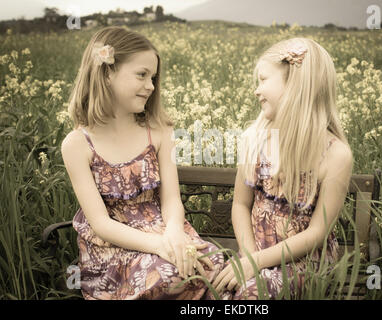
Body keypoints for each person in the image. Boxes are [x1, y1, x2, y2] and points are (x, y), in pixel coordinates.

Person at [61, 26, 223, 300]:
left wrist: (173, 236)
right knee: (168, 275)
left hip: (165, 231)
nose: (151, 86)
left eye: (153, 77)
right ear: (108, 72)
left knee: (213, 267)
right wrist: (159, 246)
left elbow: (171, 199)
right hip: (113, 249)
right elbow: (101, 223)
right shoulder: (77, 144)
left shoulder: (158, 131)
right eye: (141, 75)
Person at [212, 38, 353, 299]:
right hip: (253, 252)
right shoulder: (254, 139)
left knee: (250, 294)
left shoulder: (335, 154)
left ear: (294, 87)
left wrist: (255, 264)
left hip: (303, 263)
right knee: (214, 288)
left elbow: (317, 233)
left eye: (264, 80)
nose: (256, 90)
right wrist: (250, 258)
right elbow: (240, 205)